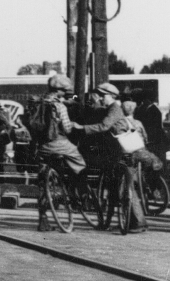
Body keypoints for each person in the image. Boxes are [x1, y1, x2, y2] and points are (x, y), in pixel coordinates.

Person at [74, 82, 155, 234]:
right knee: (124, 187)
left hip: (122, 153)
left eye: (101, 95)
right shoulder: (109, 109)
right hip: (119, 153)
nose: (99, 98)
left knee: (123, 188)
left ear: (108, 96)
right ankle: (135, 222)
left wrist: (81, 128)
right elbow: (98, 113)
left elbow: (104, 126)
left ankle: (134, 223)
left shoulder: (114, 109)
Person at [24, 75, 90, 233]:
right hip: (59, 143)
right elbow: (67, 128)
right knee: (80, 164)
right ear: (59, 90)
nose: (66, 93)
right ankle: (80, 195)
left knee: (43, 182)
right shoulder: (60, 106)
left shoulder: (36, 102)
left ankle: (43, 219)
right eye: (65, 90)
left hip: (41, 146)